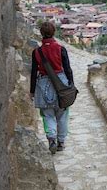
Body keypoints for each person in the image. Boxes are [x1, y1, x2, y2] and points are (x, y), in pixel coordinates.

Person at [30, 21, 74, 154]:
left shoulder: (37, 52)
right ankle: (61, 142)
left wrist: (32, 91)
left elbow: (33, 72)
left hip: (43, 85)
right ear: (54, 32)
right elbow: (67, 69)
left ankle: (51, 139)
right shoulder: (61, 49)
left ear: (41, 33)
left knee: (47, 115)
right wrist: (70, 85)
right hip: (61, 83)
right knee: (62, 114)